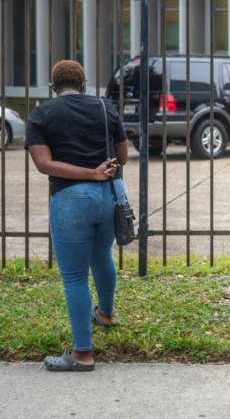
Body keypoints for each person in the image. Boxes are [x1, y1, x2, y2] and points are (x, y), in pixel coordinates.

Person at [25, 60, 129, 372]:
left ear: (53, 87)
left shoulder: (42, 113)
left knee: (73, 277)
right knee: (101, 256)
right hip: (113, 194)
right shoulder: (104, 107)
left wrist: (87, 173)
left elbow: (43, 164)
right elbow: (122, 156)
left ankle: (82, 355)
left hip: (71, 198)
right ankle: (106, 315)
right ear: (83, 84)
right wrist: (99, 171)